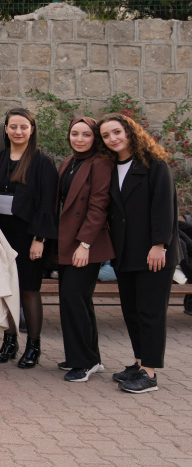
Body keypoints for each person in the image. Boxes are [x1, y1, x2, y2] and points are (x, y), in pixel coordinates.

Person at [99, 113, 182, 394]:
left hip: (153, 253)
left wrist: (160, 245)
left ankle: (150, 373)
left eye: (117, 132)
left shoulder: (155, 165)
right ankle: (139, 362)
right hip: (125, 253)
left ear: (130, 131)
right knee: (132, 312)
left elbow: (165, 207)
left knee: (150, 312)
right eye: (106, 135)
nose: (112, 138)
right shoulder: (112, 167)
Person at [0, 108, 58, 369]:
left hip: (29, 236)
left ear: (32, 130)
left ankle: (33, 346)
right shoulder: (0, 158)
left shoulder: (42, 161)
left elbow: (48, 203)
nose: (18, 131)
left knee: (29, 290)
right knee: (6, 290)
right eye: (13, 127)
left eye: (23, 127)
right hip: (3, 236)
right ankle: (10, 341)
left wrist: (40, 238)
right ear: (6, 129)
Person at [55, 117, 114, 382]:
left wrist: (85, 244)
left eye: (86, 134)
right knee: (77, 300)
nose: (79, 139)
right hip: (67, 241)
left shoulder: (100, 163)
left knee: (74, 298)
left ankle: (85, 362)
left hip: (86, 244)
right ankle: (88, 357)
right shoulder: (70, 161)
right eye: (75, 134)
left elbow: (99, 206)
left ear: (95, 138)